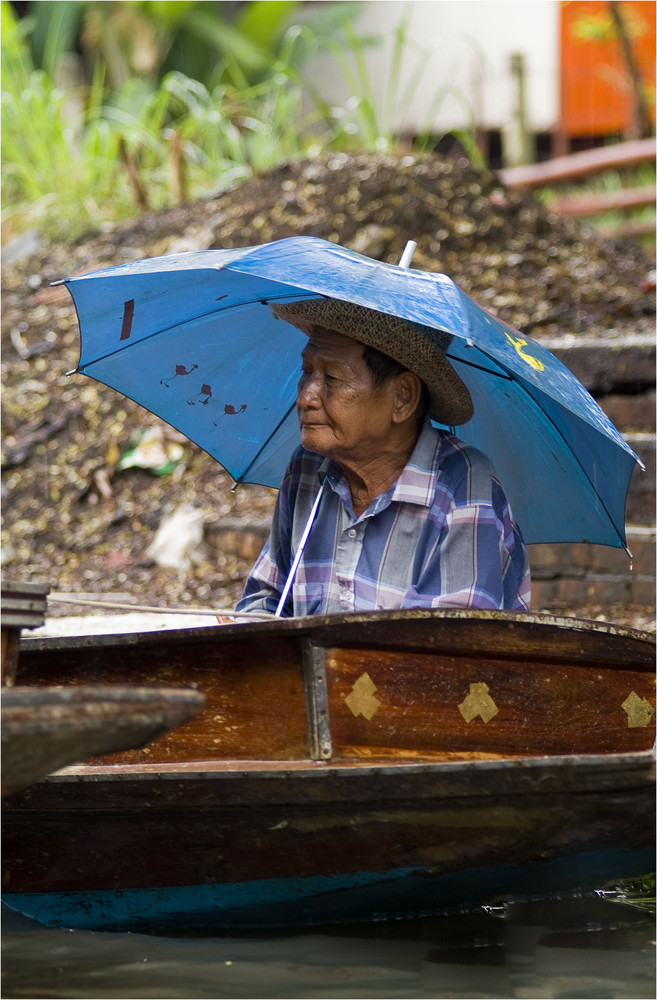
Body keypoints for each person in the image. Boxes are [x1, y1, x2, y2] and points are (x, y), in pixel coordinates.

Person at [235, 297, 530, 618]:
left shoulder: (464, 486)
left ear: (402, 397)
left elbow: (448, 649)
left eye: (332, 378)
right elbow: (266, 600)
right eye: (307, 372)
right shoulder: (308, 468)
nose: (306, 397)